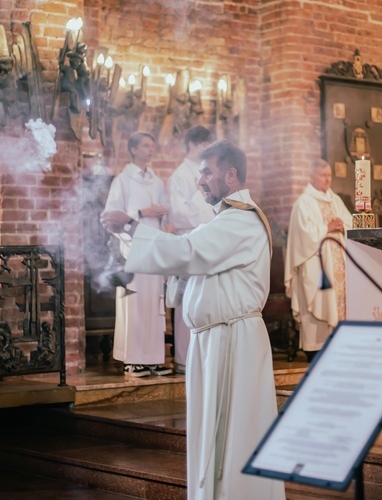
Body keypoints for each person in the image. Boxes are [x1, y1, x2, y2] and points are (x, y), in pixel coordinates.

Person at [101, 141, 285, 500]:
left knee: (235, 433)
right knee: (213, 434)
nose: (200, 180)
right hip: (214, 340)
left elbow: (188, 252)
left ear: (231, 175)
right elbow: (190, 255)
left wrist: (133, 227)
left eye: (206, 172)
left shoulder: (241, 219)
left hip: (233, 341)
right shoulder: (225, 219)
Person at [103, 131, 172, 378]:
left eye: (153, 145)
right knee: (134, 303)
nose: (150, 149)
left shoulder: (156, 181)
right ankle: (133, 360)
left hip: (153, 245)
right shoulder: (123, 179)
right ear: (133, 149)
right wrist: (144, 212)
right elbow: (111, 216)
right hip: (131, 248)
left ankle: (153, 359)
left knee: (154, 304)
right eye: (145, 145)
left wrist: (162, 214)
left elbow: (163, 216)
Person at [284, 159, 352, 360]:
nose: (327, 179)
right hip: (316, 266)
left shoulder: (335, 200)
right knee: (317, 311)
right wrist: (326, 229)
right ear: (311, 177)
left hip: (339, 264)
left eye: (329, 175)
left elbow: (349, 222)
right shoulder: (303, 203)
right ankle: (315, 351)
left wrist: (342, 225)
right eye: (323, 175)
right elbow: (303, 237)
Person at [167, 125, 216, 374]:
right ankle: (184, 359)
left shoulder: (205, 172)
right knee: (187, 301)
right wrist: (202, 201)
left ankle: (200, 358)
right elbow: (178, 214)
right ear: (192, 146)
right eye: (205, 146)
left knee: (202, 301)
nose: (208, 150)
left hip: (207, 242)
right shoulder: (180, 176)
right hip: (188, 241)